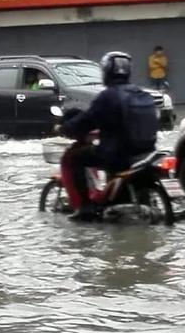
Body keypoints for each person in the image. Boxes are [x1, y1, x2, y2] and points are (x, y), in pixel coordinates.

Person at [57, 51, 158, 221]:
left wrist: (65, 128)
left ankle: (85, 208)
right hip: (146, 153)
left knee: (73, 158)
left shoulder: (108, 97)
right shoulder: (142, 94)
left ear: (106, 73)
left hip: (119, 155)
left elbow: (85, 121)